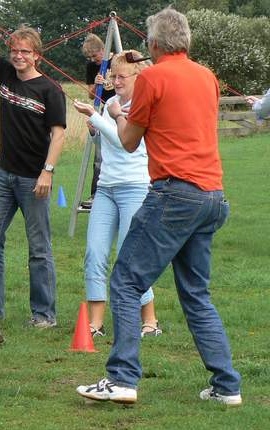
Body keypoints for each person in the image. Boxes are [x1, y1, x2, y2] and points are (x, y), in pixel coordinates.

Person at [76, 7, 242, 406]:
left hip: (173, 194)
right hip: (212, 196)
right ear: (185, 40)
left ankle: (121, 379)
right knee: (196, 293)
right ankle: (226, 386)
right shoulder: (206, 76)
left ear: (152, 43)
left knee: (126, 281)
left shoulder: (151, 77)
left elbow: (130, 140)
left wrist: (115, 113)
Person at [0, 0, 66, 327]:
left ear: (37, 55)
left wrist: (47, 172)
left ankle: (44, 315)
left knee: (39, 248)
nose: (19, 56)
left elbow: (59, 135)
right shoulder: (5, 73)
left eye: (25, 52)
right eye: (15, 50)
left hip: (33, 179)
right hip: (3, 176)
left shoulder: (50, 90)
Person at [71, 51, 161, 339]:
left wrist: (96, 119)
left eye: (121, 76)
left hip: (135, 187)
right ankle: (95, 324)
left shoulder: (144, 106)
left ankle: (149, 319)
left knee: (129, 256)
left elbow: (126, 144)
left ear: (139, 78)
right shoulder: (110, 103)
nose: (115, 81)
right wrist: (96, 130)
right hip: (106, 189)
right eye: (113, 76)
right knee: (94, 253)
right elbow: (108, 145)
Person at [80, 34, 114, 210]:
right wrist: (95, 84)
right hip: (103, 110)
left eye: (95, 56)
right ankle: (96, 195)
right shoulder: (91, 67)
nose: (93, 60)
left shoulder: (117, 60)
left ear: (103, 50)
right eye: (90, 58)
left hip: (121, 109)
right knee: (99, 154)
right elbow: (90, 94)